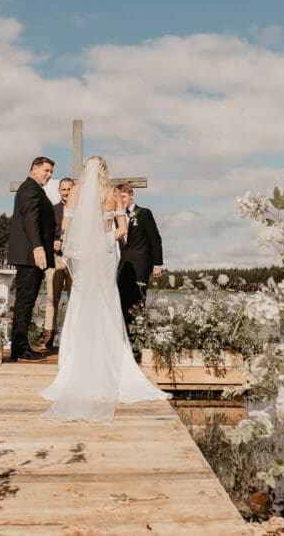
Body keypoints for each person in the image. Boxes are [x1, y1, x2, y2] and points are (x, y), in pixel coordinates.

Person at [39, 156, 170, 422]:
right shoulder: (112, 193)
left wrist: (86, 240)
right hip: (106, 255)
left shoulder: (75, 192)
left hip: (87, 257)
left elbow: (65, 228)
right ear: (105, 171)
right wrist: (103, 238)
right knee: (106, 304)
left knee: (81, 305)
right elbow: (122, 229)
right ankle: (111, 365)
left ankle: (77, 368)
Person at [6, 156, 55, 362]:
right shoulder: (30, 189)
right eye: (45, 171)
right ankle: (20, 348)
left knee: (26, 301)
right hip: (30, 255)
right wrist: (37, 246)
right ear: (34, 168)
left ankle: (20, 346)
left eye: (51, 172)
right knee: (25, 302)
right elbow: (30, 219)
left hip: (32, 254)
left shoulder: (34, 189)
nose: (48, 175)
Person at [116, 184, 164, 340]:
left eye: (123, 196)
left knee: (138, 300)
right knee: (121, 300)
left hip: (140, 265)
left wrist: (157, 264)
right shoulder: (116, 216)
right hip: (122, 265)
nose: (121, 200)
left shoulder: (143, 213)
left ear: (131, 195)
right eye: (119, 197)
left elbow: (155, 239)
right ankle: (125, 336)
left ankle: (139, 336)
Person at [36, 177, 74, 354]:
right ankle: (48, 335)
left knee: (75, 300)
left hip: (75, 260)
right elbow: (43, 234)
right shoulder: (52, 210)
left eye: (69, 189)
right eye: (63, 189)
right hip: (56, 258)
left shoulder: (81, 212)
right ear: (59, 191)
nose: (66, 193)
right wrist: (52, 243)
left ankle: (74, 337)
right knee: (52, 298)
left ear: (74, 191)